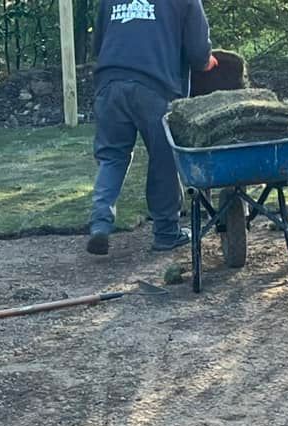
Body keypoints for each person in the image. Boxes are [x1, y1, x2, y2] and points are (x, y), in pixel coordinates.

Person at [86, 0, 218, 255]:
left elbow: (98, 45)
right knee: (163, 159)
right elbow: (198, 54)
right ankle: (167, 233)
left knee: (112, 156)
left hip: (109, 84)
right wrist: (206, 62)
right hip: (155, 87)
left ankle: (100, 222)